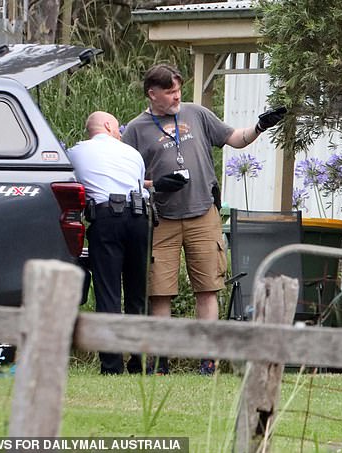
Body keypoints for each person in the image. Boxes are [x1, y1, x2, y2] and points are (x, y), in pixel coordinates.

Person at [121, 63, 285, 374]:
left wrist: (260, 126)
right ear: (151, 93)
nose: (176, 97)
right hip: (161, 219)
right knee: (160, 291)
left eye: (179, 91)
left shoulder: (196, 113)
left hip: (203, 214)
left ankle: (208, 359)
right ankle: (160, 360)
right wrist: (155, 185)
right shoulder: (135, 129)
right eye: (169, 92)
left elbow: (235, 138)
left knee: (208, 287)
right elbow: (124, 177)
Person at [68, 111, 150, 374]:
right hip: (139, 218)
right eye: (117, 128)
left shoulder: (75, 153)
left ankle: (112, 365)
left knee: (108, 293)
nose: (120, 133)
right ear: (107, 125)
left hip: (105, 219)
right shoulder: (132, 154)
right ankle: (138, 361)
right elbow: (139, 186)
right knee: (137, 294)